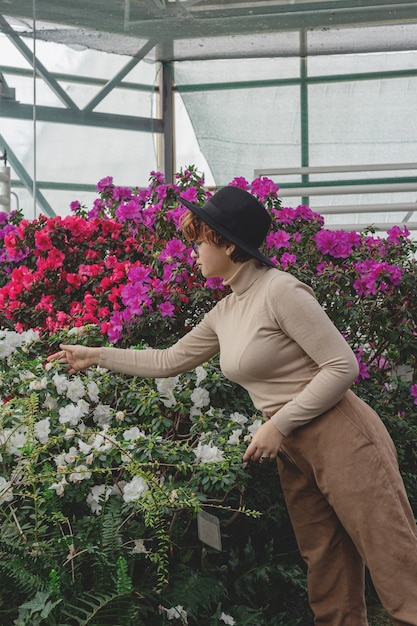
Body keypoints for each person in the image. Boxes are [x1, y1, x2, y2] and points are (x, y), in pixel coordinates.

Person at [48, 186, 417, 626]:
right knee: (327, 570)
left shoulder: (280, 291)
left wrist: (278, 424)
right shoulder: (227, 310)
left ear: (227, 243)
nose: (193, 253)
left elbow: (342, 367)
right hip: (294, 447)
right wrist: (94, 354)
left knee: (396, 566)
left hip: (342, 435)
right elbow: (169, 360)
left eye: (199, 241)